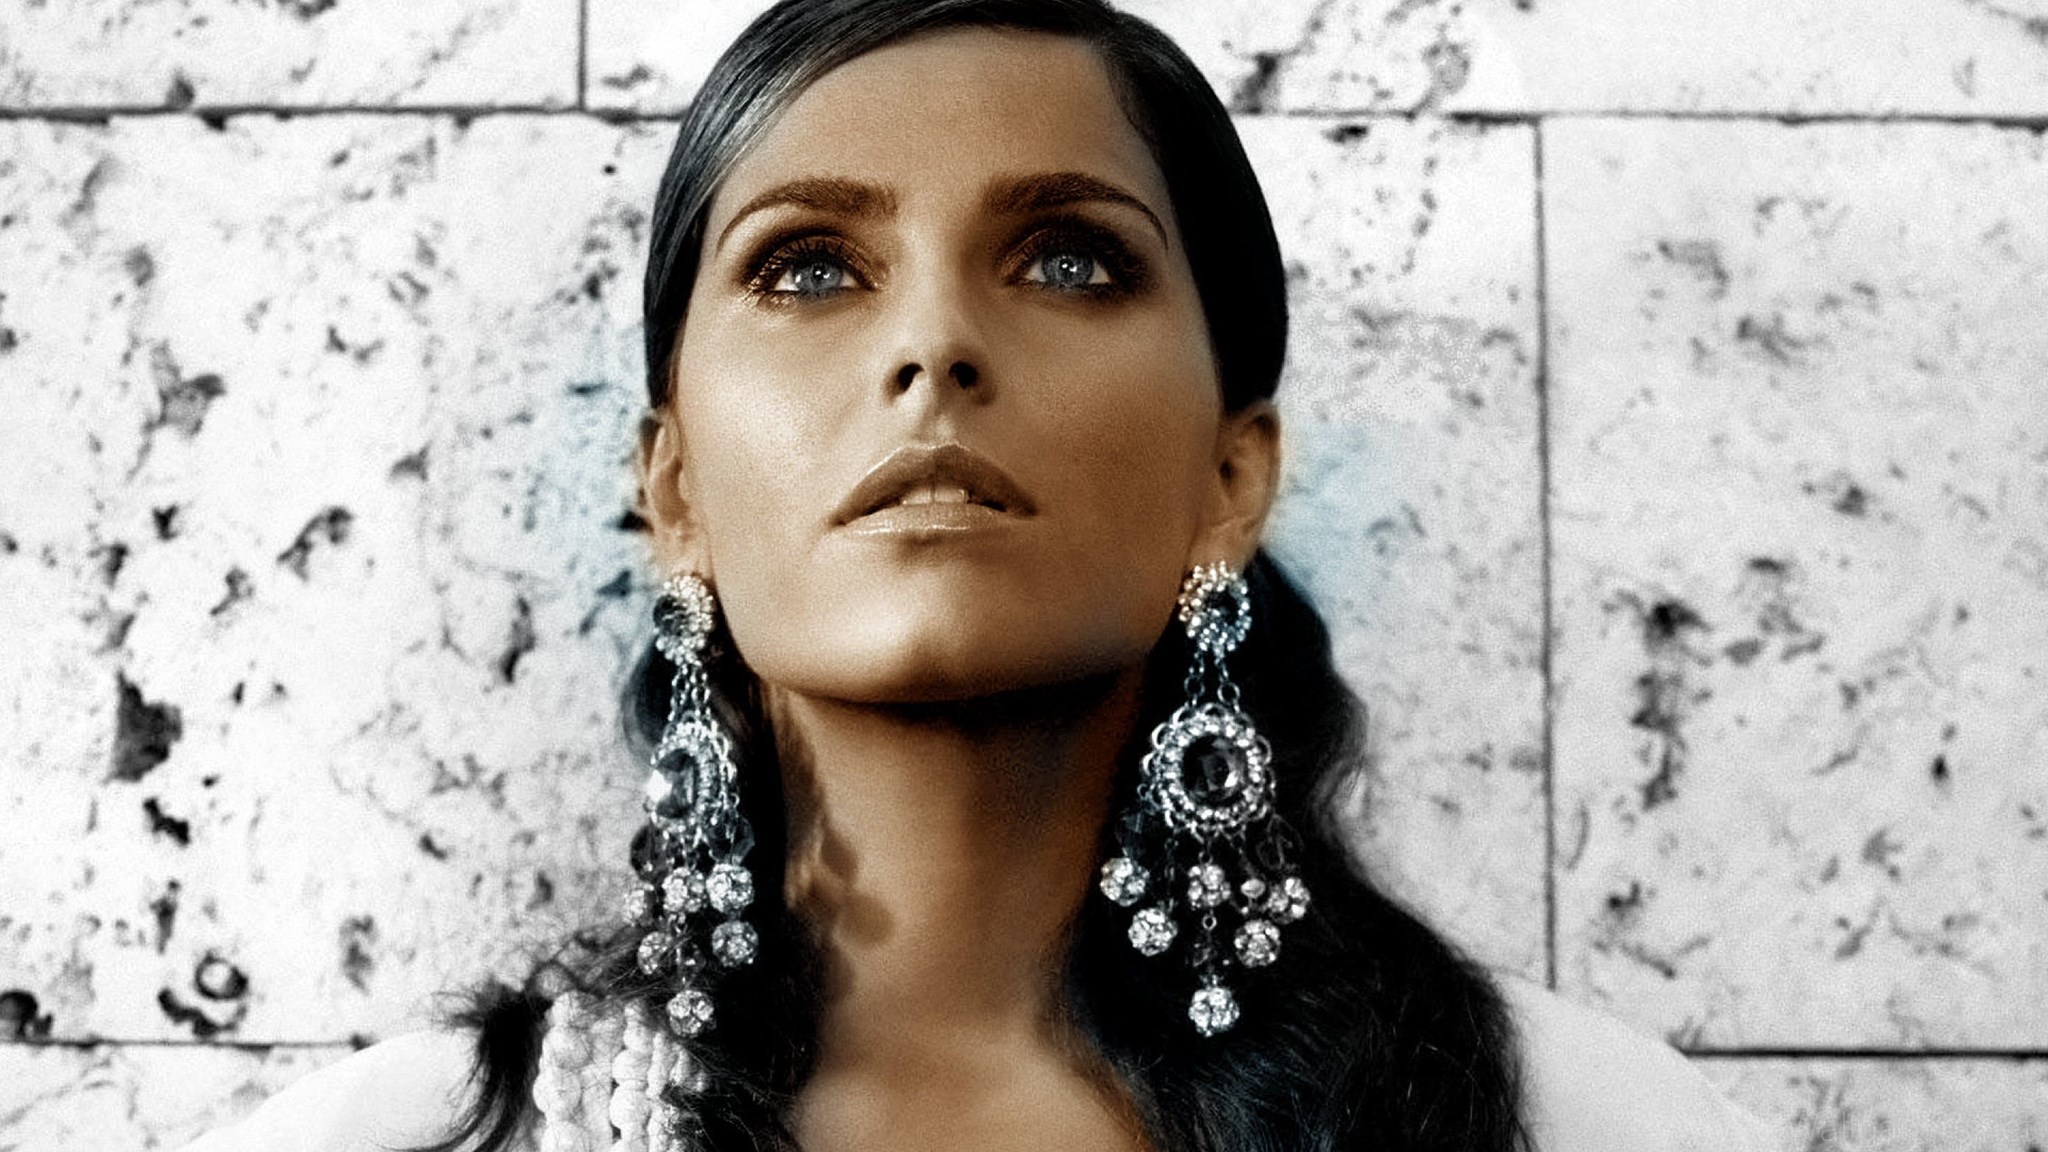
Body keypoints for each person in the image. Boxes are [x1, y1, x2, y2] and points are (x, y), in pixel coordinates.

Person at [178, 1, 1783, 1149]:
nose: (935, 342)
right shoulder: (400, 1135)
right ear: (675, 492)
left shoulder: (1597, 1123)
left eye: (1069, 260)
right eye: (811, 267)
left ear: (1231, 478)